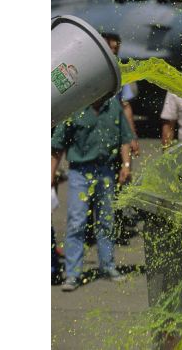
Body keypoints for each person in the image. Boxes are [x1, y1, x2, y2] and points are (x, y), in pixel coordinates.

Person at [51, 97, 134, 291]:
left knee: (106, 220)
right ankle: (73, 273)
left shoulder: (113, 106)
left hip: (106, 171)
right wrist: (50, 173)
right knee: (76, 222)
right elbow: (58, 144)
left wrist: (126, 165)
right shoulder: (75, 106)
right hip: (79, 172)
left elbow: (124, 138)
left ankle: (108, 265)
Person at [101, 32, 140, 157]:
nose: (113, 52)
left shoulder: (120, 73)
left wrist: (132, 136)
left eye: (116, 49)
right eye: (110, 48)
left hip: (115, 131)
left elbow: (126, 106)